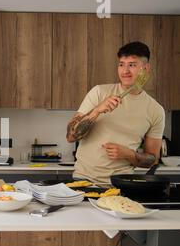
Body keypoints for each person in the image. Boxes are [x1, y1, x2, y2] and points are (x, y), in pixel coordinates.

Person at [66, 41, 165, 184]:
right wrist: (97, 110)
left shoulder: (155, 110)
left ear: (146, 68)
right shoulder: (99, 92)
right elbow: (70, 136)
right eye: (121, 64)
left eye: (132, 65)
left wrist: (129, 154)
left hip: (121, 183)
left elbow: (152, 159)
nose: (125, 71)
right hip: (83, 179)